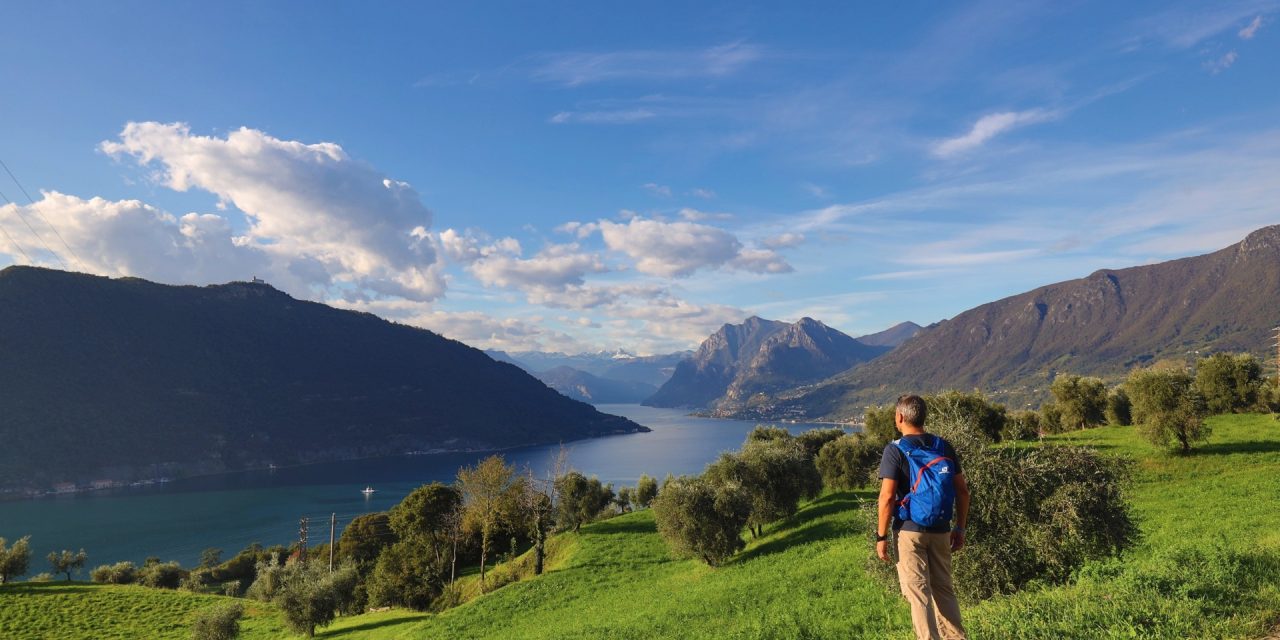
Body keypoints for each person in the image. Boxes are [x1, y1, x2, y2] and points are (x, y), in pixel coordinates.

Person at [876, 394, 970, 640]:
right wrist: (959, 529)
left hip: (909, 531)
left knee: (919, 594)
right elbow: (963, 491)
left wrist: (881, 536)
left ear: (899, 417)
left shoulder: (895, 450)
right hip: (941, 530)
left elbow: (886, 497)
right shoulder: (943, 446)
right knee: (944, 590)